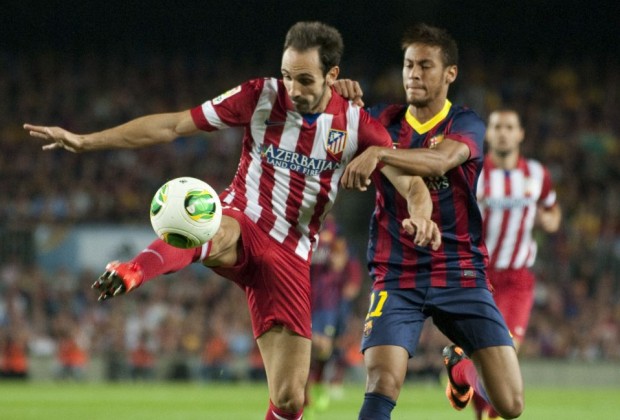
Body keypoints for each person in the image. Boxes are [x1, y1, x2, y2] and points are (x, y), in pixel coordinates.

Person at [24, 21, 440, 420]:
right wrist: (87, 141)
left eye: (305, 80)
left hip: (291, 255)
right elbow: (173, 125)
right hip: (244, 218)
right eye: (287, 75)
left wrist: (422, 217)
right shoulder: (260, 95)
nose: (292, 89)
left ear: (333, 75)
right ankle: (134, 269)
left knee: (291, 398)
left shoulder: (356, 125)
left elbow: (413, 184)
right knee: (208, 223)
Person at [338, 23, 525, 419]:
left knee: (510, 405)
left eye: (425, 66)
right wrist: (336, 93)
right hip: (397, 273)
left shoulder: (466, 123)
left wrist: (381, 155)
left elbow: (440, 161)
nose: (414, 75)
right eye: (408, 65)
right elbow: (328, 113)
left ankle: (460, 367)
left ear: (449, 74)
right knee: (382, 384)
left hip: (460, 271)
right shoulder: (380, 122)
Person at [474, 108, 561, 419]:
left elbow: (553, 211)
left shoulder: (537, 175)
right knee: (482, 356)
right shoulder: (476, 173)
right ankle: (481, 409)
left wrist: (548, 221)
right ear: (488, 133)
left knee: (505, 353)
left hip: (516, 281)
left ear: (520, 134)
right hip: (478, 277)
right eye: (496, 126)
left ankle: (489, 414)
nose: (502, 132)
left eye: (509, 127)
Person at [305, 214, 363, 414]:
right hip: (302, 295)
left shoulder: (333, 231)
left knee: (322, 345)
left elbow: (340, 262)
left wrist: (331, 253)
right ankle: (304, 392)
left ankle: (319, 381)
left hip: (326, 300)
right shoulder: (302, 225)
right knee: (304, 345)